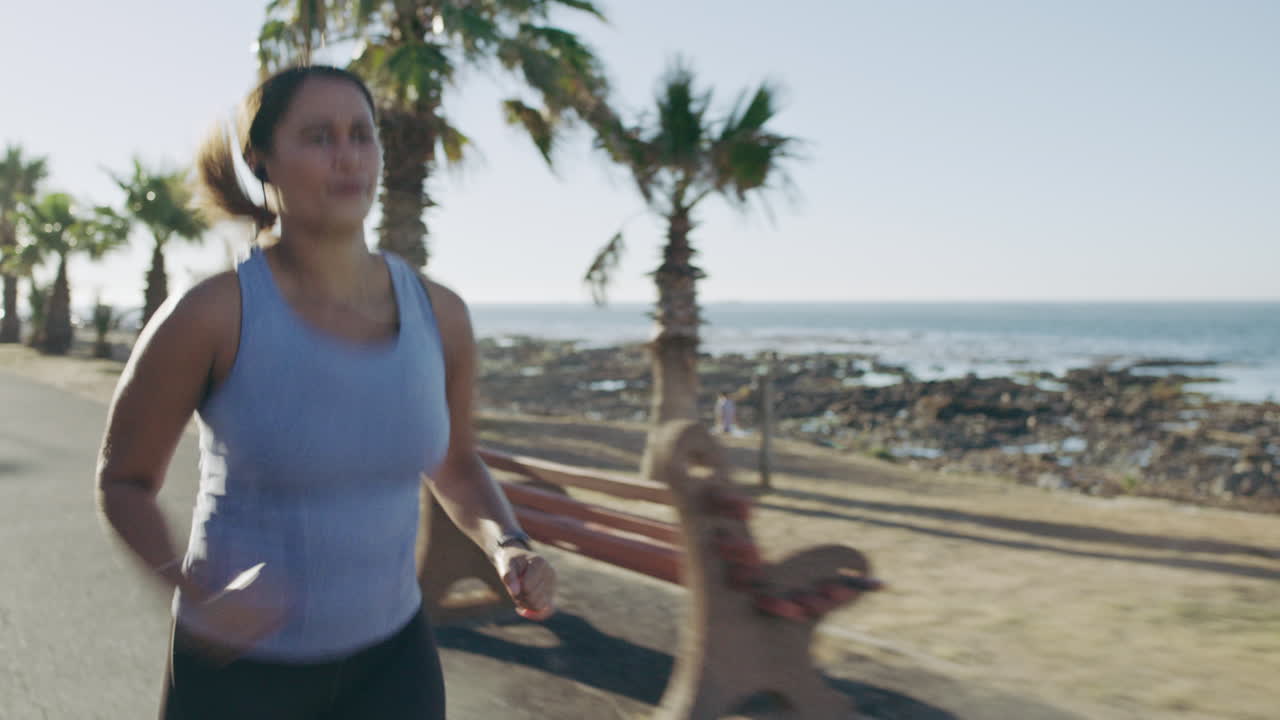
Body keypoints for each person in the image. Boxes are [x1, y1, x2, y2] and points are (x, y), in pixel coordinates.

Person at [94, 65, 555, 719]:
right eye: (318, 137)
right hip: (240, 679)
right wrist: (191, 593)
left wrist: (508, 544)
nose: (347, 157)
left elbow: (453, 461)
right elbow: (124, 481)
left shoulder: (441, 314)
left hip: (393, 669)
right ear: (263, 161)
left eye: (361, 136)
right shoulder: (212, 315)